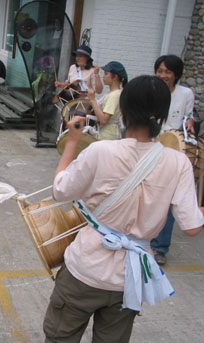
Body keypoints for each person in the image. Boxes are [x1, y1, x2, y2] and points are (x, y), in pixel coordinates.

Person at [43, 75, 204, 342]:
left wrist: (72, 142)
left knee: (60, 338)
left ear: (124, 113)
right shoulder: (179, 163)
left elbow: (60, 191)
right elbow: (192, 227)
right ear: (162, 116)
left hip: (85, 270)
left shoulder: (100, 151)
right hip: (129, 279)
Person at [151, 54, 195, 266]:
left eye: (167, 71)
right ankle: (146, 234)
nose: (163, 75)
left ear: (176, 74)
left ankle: (160, 247)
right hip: (151, 147)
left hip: (173, 149)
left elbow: (188, 116)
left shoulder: (186, 93)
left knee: (168, 200)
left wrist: (190, 123)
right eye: (160, 71)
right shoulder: (151, 91)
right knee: (149, 195)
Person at [87, 61, 128, 140]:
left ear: (115, 77)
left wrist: (93, 100)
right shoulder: (116, 93)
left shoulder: (114, 95)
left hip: (108, 136)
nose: (103, 77)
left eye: (106, 74)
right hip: (109, 134)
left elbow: (103, 119)